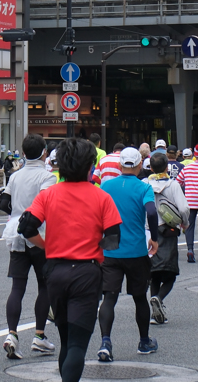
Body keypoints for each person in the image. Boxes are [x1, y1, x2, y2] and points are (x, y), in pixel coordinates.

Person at [17, 138, 122, 382]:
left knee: (65, 339)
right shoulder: (101, 197)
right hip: (87, 272)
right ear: (89, 167)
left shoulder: (49, 195)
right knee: (77, 344)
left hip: (55, 271)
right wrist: (94, 246)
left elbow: (27, 227)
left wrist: (47, 246)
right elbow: (114, 238)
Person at [96, 147, 159, 360]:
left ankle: (105, 341)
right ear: (140, 164)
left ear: (120, 165)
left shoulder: (106, 186)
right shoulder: (144, 187)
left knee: (109, 298)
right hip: (136, 251)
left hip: (111, 249)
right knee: (140, 297)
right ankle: (144, 341)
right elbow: (151, 211)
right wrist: (155, 238)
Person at [1, 133, 58, 359]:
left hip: (15, 232)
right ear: (44, 152)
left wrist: (17, 213)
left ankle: (12, 334)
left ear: (23, 153)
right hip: (40, 233)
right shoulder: (48, 177)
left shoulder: (14, 176)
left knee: (18, 287)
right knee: (44, 286)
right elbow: (45, 205)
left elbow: (4, 201)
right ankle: (39, 335)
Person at [145, 151, 188, 324]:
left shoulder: (144, 184)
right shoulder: (173, 185)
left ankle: (155, 306)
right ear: (167, 167)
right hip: (167, 231)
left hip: (148, 232)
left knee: (154, 273)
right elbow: (184, 209)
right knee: (169, 274)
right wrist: (184, 223)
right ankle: (159, 299)